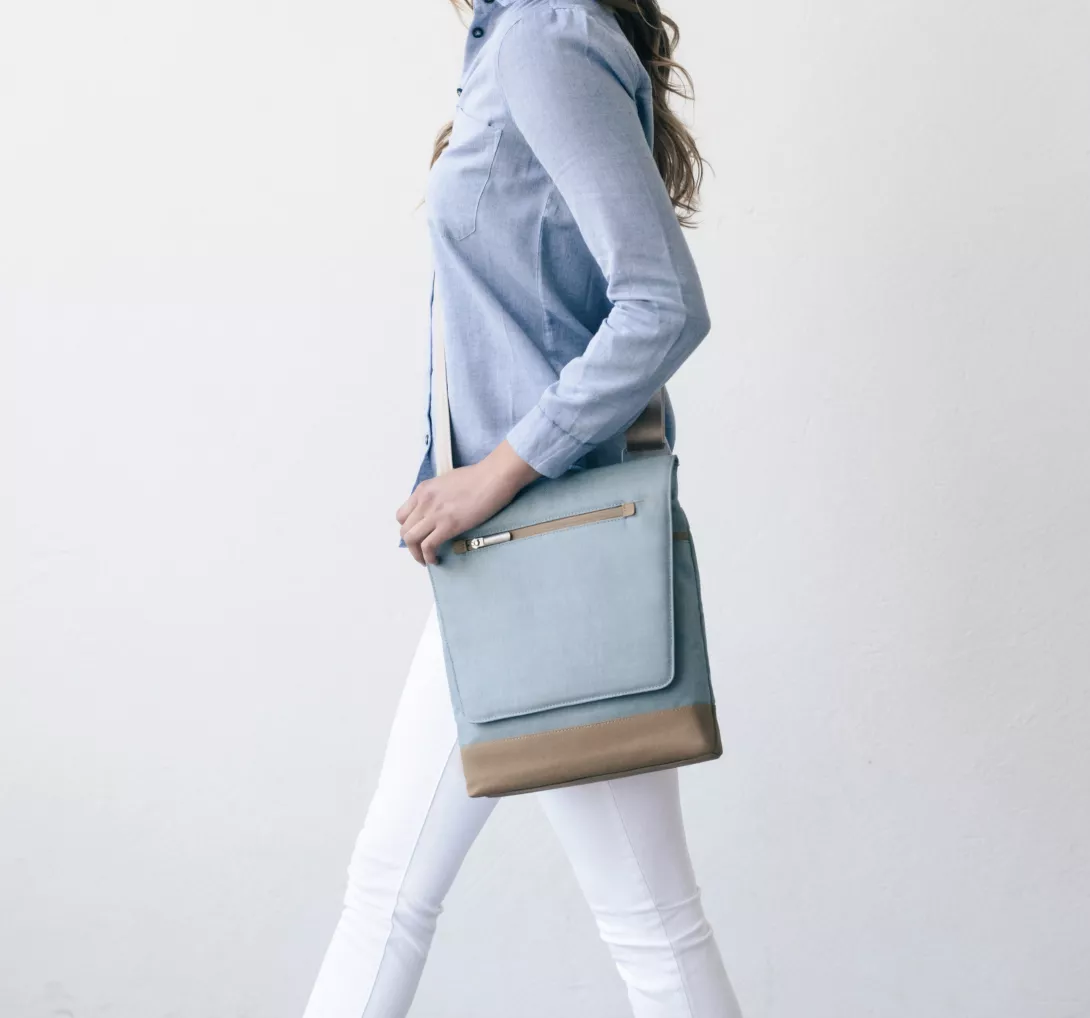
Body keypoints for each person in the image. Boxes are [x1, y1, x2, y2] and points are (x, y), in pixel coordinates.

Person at [302, 2, 742, 1015]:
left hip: (553, 559)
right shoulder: (516, 38)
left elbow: (662, 304)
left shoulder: (546, 35)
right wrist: (454, 478)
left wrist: (494, 471)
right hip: (509, 560)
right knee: (395, 890)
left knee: (641, 924)